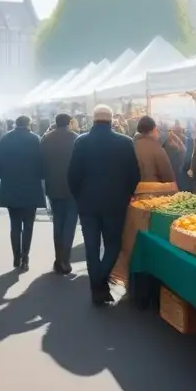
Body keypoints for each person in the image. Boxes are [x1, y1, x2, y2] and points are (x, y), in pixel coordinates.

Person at [68, 104, 141, 305]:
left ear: (93, 120)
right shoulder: (125, 142)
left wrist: (79, 196)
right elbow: (135, 175)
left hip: (87, 203)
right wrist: (126, 193)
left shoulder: (81, 142)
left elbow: (72, 175)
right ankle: (100, 283)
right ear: (111, 121)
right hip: (115, 203)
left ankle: (97, 285)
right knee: (113, 244)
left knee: (91, 247)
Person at [0, 115, 46, 271]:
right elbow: (42, 164)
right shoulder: (36, 140)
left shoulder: (5, 139)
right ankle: (25, 257)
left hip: (11, 186)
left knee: (15, 224)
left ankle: (16, 256)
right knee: (29, 225)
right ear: (29, 124)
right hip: (31, 187)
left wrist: (3, 176)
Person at [41, 112, 79, 275]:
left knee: (58, 222)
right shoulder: (76, 138)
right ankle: (65, 259)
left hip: (53, 186)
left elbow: (41, 162)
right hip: (72, 187)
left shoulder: (46, 138)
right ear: (69, 123)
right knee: (70, 224)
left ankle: (59, 258)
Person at [133, 115, 176, 184]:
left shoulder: (131, 146)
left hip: (132, 190)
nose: (158, 134)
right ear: (152, 130)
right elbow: (168, 176)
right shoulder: (157, 149)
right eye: (156, 130)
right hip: (152, 190)